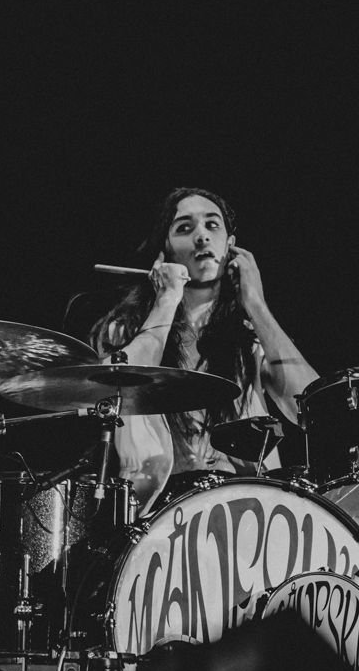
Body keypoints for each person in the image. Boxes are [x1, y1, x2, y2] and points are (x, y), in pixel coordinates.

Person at [89, 187, 319, 514]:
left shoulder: (250, 336)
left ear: (230, 245)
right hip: (156, 512)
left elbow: (313, 409)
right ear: (165, 250)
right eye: (184, 228)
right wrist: (167, 298)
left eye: (212, 225)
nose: (201, 236)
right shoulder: (126, 330)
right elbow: (117, 391)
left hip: (249, 509)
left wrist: (255, 303)